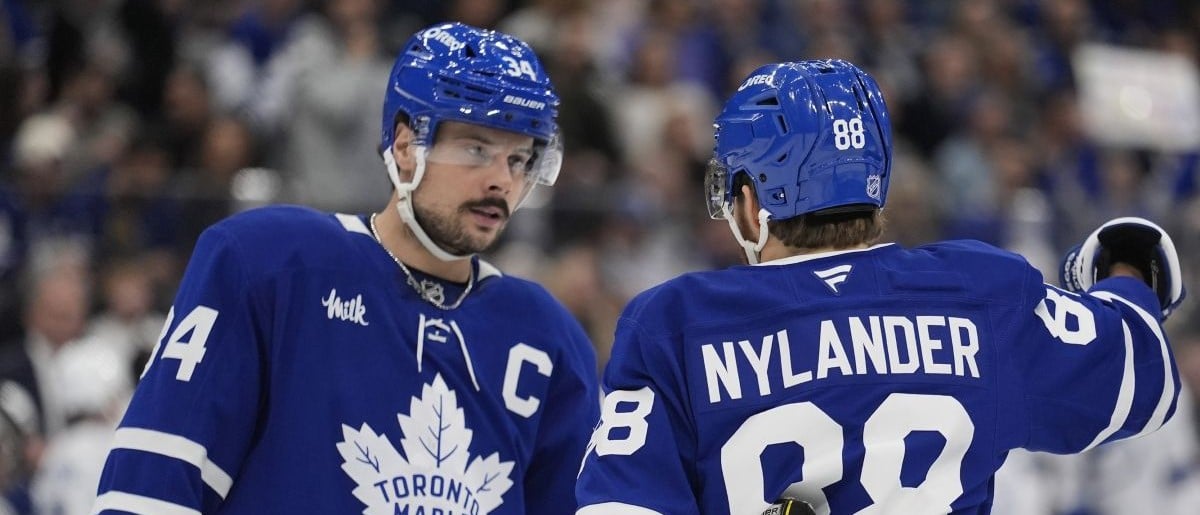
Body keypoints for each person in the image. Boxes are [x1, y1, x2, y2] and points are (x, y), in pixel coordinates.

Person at [575, 60, 1186, 514]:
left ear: (751, 202)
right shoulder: (981, 291)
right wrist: (1125, 269)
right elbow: (1144, 380)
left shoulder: (673, 321)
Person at [95, 22, 599, 514]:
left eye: (519, 159)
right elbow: (152, 486)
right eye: (477, 149)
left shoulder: (548, 341)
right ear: (406, 147)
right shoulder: (270, 263)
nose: (501, 181)